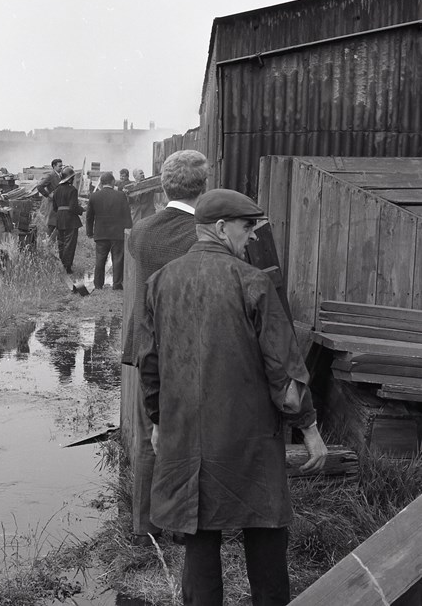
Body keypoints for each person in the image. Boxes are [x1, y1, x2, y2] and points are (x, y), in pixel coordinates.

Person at [138, 188, 328, 606]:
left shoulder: (160, 281)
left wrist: (157, 421)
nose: (251, 237)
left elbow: (148, 364)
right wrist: (309, 429)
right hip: (250, 439)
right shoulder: (253, 282)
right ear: (221, 228)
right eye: (247, 228)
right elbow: (285, 371)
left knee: (201, 539)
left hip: (187, 436)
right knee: (265, 533)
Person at [121, 149, 209, 545]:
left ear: (162, 184)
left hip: (144, 346)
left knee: (147, 438)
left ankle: (145, 524)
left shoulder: (141, 231)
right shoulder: (205, 234)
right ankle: (183, 527)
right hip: (191, 349)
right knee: (190, 440)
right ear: (204, 186)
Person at [85, 171, 132, 290]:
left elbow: (89, 217)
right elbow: (127, 214)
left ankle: (98, 285)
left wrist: (90, 232)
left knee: (100, 259)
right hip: (117, 233)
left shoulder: (94, 196)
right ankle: (117, 284)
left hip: (101, 233)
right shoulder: (120, 195)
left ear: (101, 183)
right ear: (112, 182)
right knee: (118, 259)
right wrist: (128, 228)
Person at [52, 166, 84, 274]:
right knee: (69, 244)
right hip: (70, 220)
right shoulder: (72, 190)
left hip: (60, 219)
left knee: (61, 242)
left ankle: (62, 265)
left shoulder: (56, 190)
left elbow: (55, 208)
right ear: (70, 179)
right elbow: (73, 207)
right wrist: (82, 209)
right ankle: (67, 267)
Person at [36, 158, 63, 236]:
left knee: (57, 224)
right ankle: (47, 243)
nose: (61, 168)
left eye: (62, 166)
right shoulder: (50, 175)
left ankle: (53, 243)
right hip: (52, 204)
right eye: (59, 166)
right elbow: (39, 186)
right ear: (54, 166)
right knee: (51, 224)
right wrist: (48, 195)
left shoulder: (60, 176)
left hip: (59, 204)